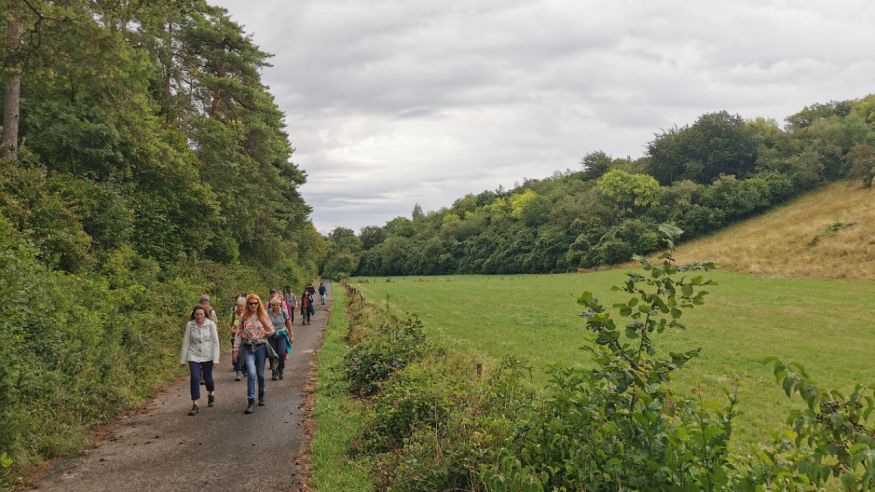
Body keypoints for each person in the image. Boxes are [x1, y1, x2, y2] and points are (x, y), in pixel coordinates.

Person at [233, 294, 275, 414]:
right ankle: (251, 401)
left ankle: (261, 394)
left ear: (258, 304)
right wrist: (235, 351)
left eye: (255, 303)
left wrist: (263, 322)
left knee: (260, 374)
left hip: (261, 347)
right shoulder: (243, 316)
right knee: (251, 373)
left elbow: (271, 331)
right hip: (248, 348)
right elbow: (238, 334)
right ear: (247, 304)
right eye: (251, 303)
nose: (253, 305)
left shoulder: (263, 314)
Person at [179, 305, 220, 416]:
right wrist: (183, 360)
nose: (199, 316)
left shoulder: (210, 324)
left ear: (204, 314)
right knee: (195, 378)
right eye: (197, 314)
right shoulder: (190, 325)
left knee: (208, 378)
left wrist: (216, 359)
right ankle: (195, 404)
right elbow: (186, 342)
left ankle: (211, 393)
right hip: (193, 355)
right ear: (194, 314)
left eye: (201, 314)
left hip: (207, 355)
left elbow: (215, 342)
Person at [267, 298, 294, 380]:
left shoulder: (283, 312)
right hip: (271, 335)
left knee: (281, 353)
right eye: (273, 305)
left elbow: (288, 323)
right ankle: (274, 372)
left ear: (280, 305)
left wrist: (291, 335)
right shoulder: (268, 312)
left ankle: (280, 368)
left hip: (282, 334)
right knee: (273, 354)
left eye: (277, 305)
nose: (275, 307)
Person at [228, 295, 247, 381]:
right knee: (238, 353)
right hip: (235, 337)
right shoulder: (233, 314)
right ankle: (238, 371)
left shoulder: (248, 315)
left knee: (245, 354)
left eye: (242, 306)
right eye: (239, 306)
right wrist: (232, 329)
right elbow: (229, 325)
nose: (240, 308)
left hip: (246, 338)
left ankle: (244, 369)